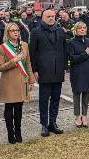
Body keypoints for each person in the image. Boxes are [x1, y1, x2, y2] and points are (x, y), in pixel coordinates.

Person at [29, 9, 69, 137]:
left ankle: (53, 123)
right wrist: (35, 70)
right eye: (49, 16)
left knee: (56, 99)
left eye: (53, 16)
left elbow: (64, 51)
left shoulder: (60, 31)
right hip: (43, 70)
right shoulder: (36, 32)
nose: (52, 18)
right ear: (43, 18)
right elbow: (32, 53)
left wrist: (64, 68)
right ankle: (44, 125)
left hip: (58, 70)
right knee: (44, 100)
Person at [0, 22, 35, 144]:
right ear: (8, 33)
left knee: (19, 108)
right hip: (8, 82)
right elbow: (0, 67)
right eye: (13, 30)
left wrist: (31, 79)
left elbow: (28, 63)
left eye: (17, 30)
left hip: (22, 80)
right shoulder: (1, 47)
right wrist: (14, 60)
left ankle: (18, 131)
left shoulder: (24, 45)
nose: (16, 32)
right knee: (9, 108)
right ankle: (10, 133)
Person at [67, 22, 89, 128]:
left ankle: (84, 115)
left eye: (84, 28)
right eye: (80, 28)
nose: (82, 30)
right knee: (76, 95)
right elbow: (72, 58)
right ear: (75, 30)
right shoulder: (71, 42)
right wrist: (85, 54)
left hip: (88, 72)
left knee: (86, 94)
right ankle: (77, 116)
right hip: (77, 72)